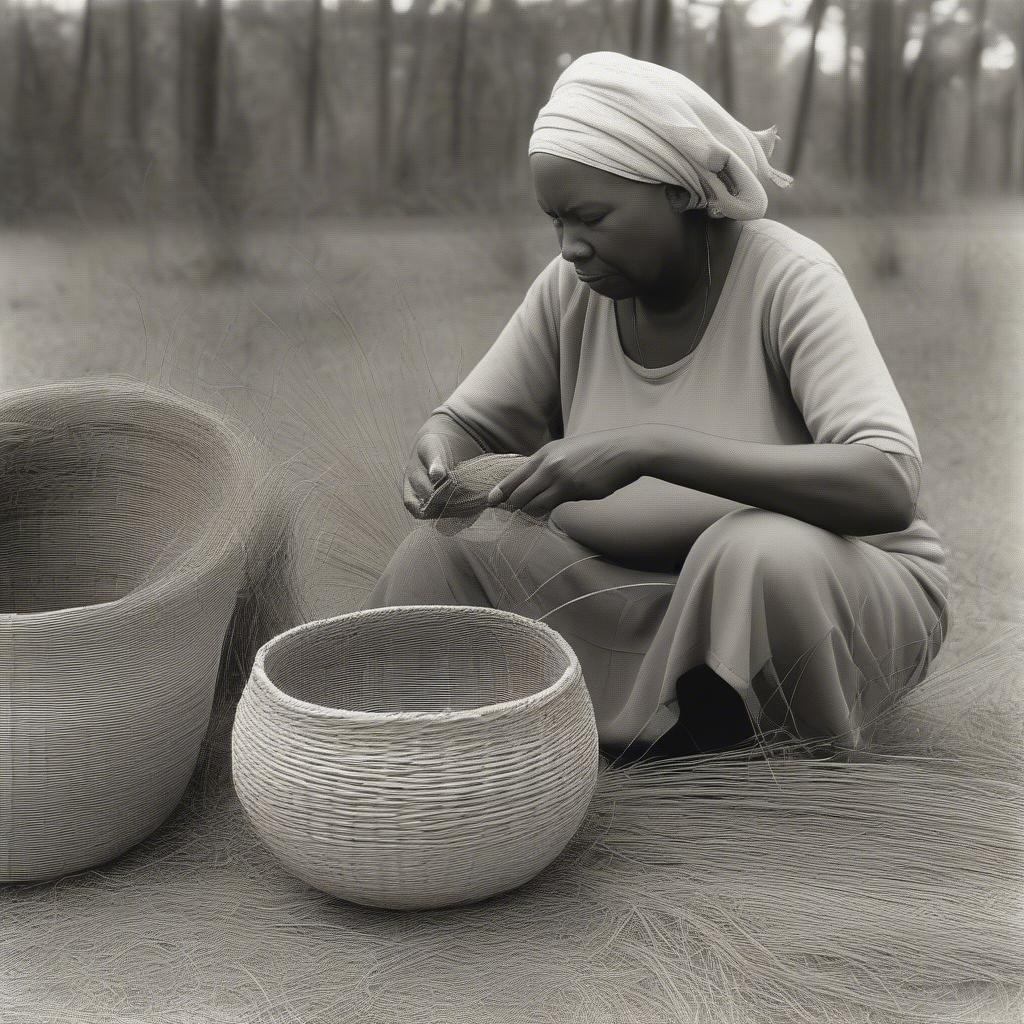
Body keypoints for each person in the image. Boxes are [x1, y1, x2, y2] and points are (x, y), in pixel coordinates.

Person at [360, 51, 951, 764]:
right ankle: (407, 746)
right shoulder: (570, 291)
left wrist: (649, 448)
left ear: (678, 190)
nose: (571, 247)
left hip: (828, 595)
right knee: (447, 555)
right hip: (631, 594)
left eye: (592, 218)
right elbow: (469, 424)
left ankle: (753, 749)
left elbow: (887, 486)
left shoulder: (788, 278)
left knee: (755, 552)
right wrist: (439, 454)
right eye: (556, 223)